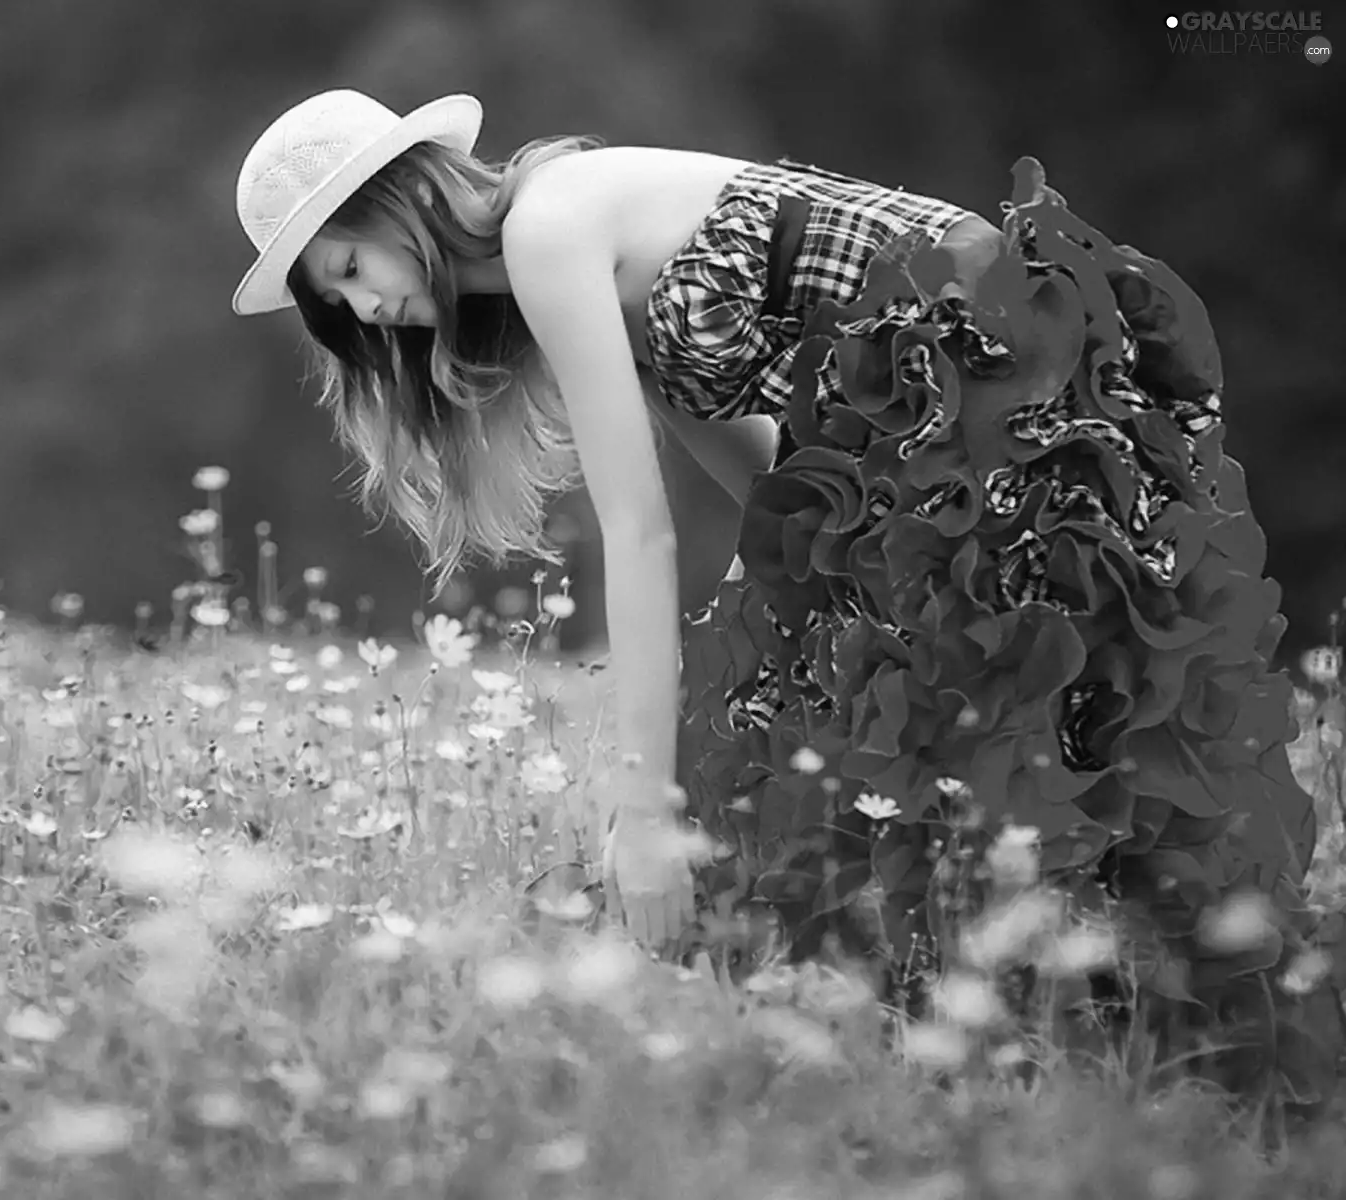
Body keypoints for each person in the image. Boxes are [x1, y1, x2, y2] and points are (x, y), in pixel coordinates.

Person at [230, 89, 1333, 1103]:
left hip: (1005, 372)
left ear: (402, 197)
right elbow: (778, 503)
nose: (367, 310)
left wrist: (649, 808)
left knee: (997, 738)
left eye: (349, 266)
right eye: (340, 303)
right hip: (951, 419)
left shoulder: (549, 224)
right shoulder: (582, 260)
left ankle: (1094, 1042)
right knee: (861, 725)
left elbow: (640, 531)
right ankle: (1053, 1055)